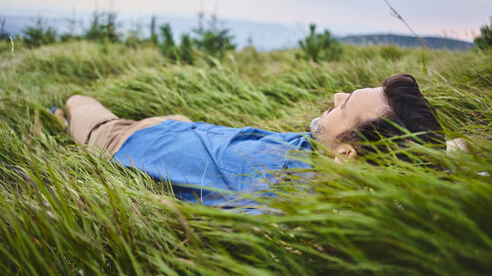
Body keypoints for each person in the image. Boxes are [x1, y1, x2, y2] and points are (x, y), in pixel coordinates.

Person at [57, 73, 444, 207]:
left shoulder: (289, 207)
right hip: (182, 126)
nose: (335, 98)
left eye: (345, 108)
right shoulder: (323, 155)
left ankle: (66, 121)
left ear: (347, 153)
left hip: (124, 141)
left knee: (77, 102)